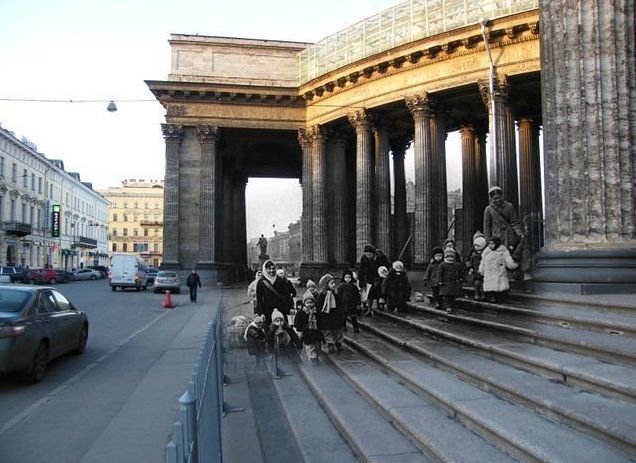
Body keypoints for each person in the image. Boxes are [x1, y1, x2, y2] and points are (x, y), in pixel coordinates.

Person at [479, 236, 519, 303]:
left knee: (500, 286)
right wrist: (481, 270)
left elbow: (508, 260)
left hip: (499, 273)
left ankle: (500, 297)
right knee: (490, 287)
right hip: (489, 274)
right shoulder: (486, 252)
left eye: (492, 244)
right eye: (489, 244)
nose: (491, 246)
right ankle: (492, 297)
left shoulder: (503, 251)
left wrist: (514, 265)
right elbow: (483, 262)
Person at [316, 273, 345, 353]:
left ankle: (338, 343)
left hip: (335, 316)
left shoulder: (335, 294)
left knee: (337, 331)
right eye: (331, 283)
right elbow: (319, 306)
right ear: (326, 285)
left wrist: (341, 312)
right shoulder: (322, 295)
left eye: (334, 283)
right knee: (328, 332)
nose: (334, 285)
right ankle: (330, 344)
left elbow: (339, 304)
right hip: (326, 317)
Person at [294, 292, 323, 365]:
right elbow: (297, 321)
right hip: (307, 332)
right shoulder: (301, 312)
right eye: (307, 302)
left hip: (316, 331)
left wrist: (322, 327)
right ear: (304, 303)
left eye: (311, 302)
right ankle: (313, 358)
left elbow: (321, 319)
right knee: (309, 346)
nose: (309, 304)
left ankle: (316, 355)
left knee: (317, 345)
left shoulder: (317, 311)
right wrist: (299, 330)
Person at [437, 248, 464, 312]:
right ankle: (447, 305)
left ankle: (452, 304)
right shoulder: (442, 265)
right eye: (448, 256)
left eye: (451, 257)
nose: (450, 258)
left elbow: (459, 272)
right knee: (446, 295)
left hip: (453, 283)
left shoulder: (456, 264)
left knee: (452, 295)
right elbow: (439, 273)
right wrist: (440, 280)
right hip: (445, 283)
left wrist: (460, 278)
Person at [337, 269, 361, 334]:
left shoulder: (354, 287)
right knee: (344, 316)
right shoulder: (341, 287)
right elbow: (339, 296)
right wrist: (338, 304)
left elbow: (357, 296)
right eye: (346, 277)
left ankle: (355, 328)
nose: (347, 279)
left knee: (353, 316)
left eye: (349, 277)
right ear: (344, 278)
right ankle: (343, 326)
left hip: (352, 304)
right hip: (344, 304)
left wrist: (358, 304)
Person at [466, 232, 487, 301]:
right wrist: (470, 268)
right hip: (475, 271)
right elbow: (469, 260)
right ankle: (476, 294)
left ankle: (483, 294)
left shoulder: (485, 253)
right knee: (476, 283)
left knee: (483, 284)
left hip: (483, 271)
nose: (476, 247)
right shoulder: (473, 254)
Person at [357, 244, 378, 310]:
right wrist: (361, 282)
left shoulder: (380, 257)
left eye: (369, 255)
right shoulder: (364, 258)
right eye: (366, 254)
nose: (368, 256)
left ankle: (379, 305)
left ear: (374, 254)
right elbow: (361, 270)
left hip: (376, 277)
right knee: (366, 293)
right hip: (367, 277)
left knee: (376, 292)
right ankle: (366, 306)